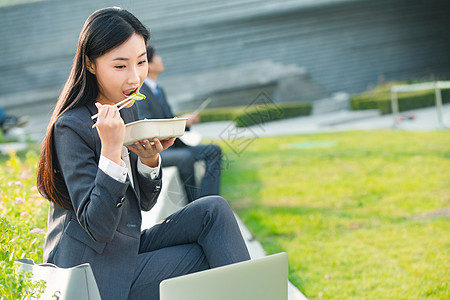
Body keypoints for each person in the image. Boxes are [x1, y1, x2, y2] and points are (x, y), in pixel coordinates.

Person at [36, 7, 250, 300]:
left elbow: (145, 205)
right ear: (90, 64)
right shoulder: (71, 127)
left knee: (213, 211)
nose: (134, 78)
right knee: (212, 256)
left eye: (141, 62)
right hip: (90, 270)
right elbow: (97, 227)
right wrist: (111, 151)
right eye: (120, 66)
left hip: (126, 247)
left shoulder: (128, 107)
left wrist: (150, 161)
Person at [136, 45, 222, 202]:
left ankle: (208, 199)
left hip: (173, 144)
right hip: (158, 149)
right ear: (150, 65)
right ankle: (196, 205)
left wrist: (185, 122)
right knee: (185, 157)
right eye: (157, 57)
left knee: (213, 150)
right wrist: (181, 122)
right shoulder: (140, 93)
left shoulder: (158, 90)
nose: (161, 59)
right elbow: (147, 127)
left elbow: (168, 119)